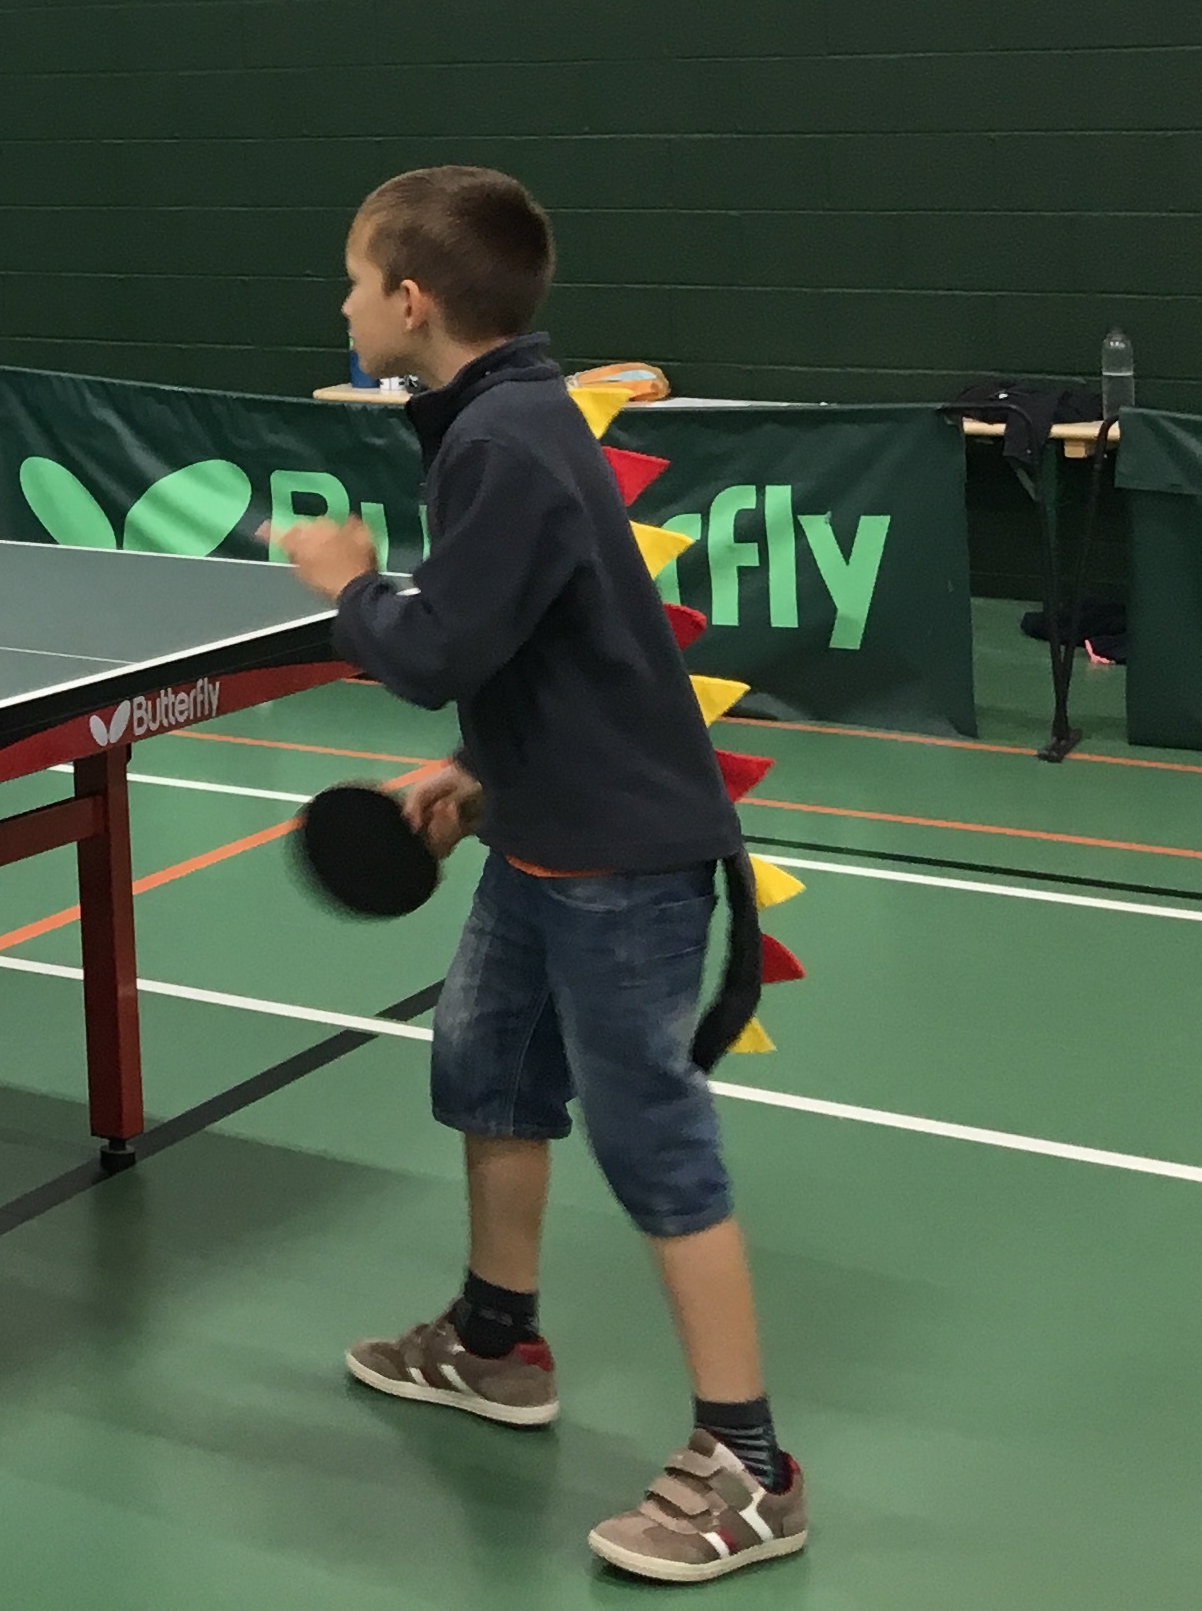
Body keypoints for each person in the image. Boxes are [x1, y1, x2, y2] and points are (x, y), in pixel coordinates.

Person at [274, 166, 808, 1583]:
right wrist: (482, 772)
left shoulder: (503, 438)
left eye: (352, 282)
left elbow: (437, 646)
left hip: (620, 859)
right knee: (488, 1062)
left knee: (652, 1139)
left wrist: (346, 582)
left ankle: (752, 1467)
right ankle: (495, 1341)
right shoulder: (503, 418)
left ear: (411, 302)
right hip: (544, 827)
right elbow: (559, 642)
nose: (341, 305)